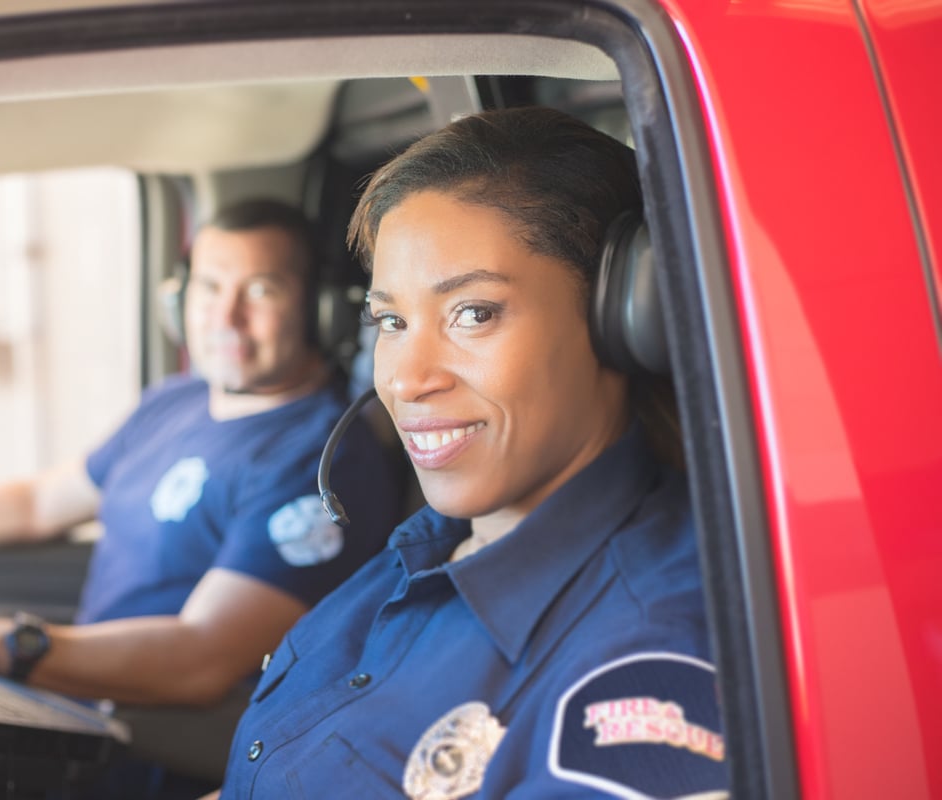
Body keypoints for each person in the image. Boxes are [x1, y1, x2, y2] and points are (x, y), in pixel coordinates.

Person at [213, 108, 728, 799]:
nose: (405, 377)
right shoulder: (422, 556)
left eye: (473, 313)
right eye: (391, 322)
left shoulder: (648, 664)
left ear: (620, 319)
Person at [0, 198, 402, 799]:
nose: (227, 317)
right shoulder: (175, 401)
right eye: (209, 287)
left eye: (261, 291)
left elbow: (199, 659)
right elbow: (39, 502)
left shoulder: (322, 462)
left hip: (146, 753)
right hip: (71, 706)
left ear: (320, 311)